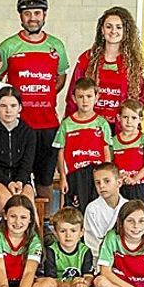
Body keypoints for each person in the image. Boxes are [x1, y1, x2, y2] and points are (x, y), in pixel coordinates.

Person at [0, 0, 69, 202]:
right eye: (27, 14)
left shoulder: (56, 46)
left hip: (48, 126)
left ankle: (45, 226)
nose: (32, 18)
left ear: (45, 15)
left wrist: (42, 96)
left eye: (37, 13)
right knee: (15, 180)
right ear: (20, 16)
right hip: (18, 127)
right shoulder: (8, 46)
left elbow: (60, 79)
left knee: (45, 180)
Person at [66, 7, 144, 130]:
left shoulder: (132, 63)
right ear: (102, 30)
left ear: (125, 31)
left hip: (119, 129)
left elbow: (138, 101)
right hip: (91, 126)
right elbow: (73, 94)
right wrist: (70, 125)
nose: (113, 31)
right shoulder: (88, 58)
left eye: (119, 27)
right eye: (109, 27)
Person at [0, 87, 37, 224]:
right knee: (3, 202)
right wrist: (8, 183)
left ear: (20, 108)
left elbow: (27, 164)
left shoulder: (28, 132)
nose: (8, 110)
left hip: (21, 178)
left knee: (27, 205)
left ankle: (32, 241)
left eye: (13, 106)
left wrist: (19, 181)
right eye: (3, 106)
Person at [54, 77, 112, 211]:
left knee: (97, 211)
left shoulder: (102, 123)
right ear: (74, 98)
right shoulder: (67, 124)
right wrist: (63, 177)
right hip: (75, 176)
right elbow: (61, 152)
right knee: (76, 212)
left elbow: (106, 150)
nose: (85, 100)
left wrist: (107, 174)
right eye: (80, 96)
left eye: (89, 96)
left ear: (96, 97)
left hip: (96, 175)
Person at [41, 207, 103, 287]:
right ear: (55, 232)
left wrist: (83, 284)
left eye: (73, 231)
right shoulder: (51, 251)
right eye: (63, 231)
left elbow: (89, 276)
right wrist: (70, 284)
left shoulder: (85, 251)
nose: (68, 235)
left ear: (81, 232)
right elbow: (52, 281)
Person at [112, 99, 144, 209]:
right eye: (125, 117)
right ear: (118, 118)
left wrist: (135, 179)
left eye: (133, 118)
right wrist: (119, 176)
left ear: (140, 119)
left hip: (139, 187)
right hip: (120, 187)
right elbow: (110, 164)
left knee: (142, 216)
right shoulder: (112, 142)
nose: (129, 121)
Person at [83, 162, 127, 261]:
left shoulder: (128, 207)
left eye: (107, 181)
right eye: (97, 182)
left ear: (119, 183)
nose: (101, 186)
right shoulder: (92, 209)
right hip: (99, 260)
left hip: (125, 259)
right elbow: (92, 242)